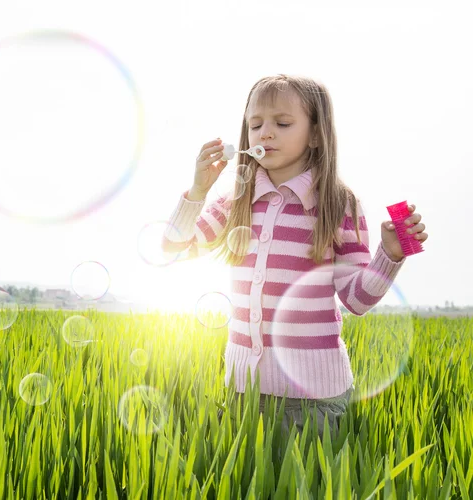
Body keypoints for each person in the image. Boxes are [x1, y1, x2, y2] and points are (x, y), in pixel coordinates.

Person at [161, 74, 429, 440]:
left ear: (316, 134)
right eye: (255, 125)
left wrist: (391, 253)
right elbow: (174, 248)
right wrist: (198, 189)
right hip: (243, 394)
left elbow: (357, 299)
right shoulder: (235, 201)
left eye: (282, 123)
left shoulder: (337, 204)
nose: (265, 133)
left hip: (312, 402)